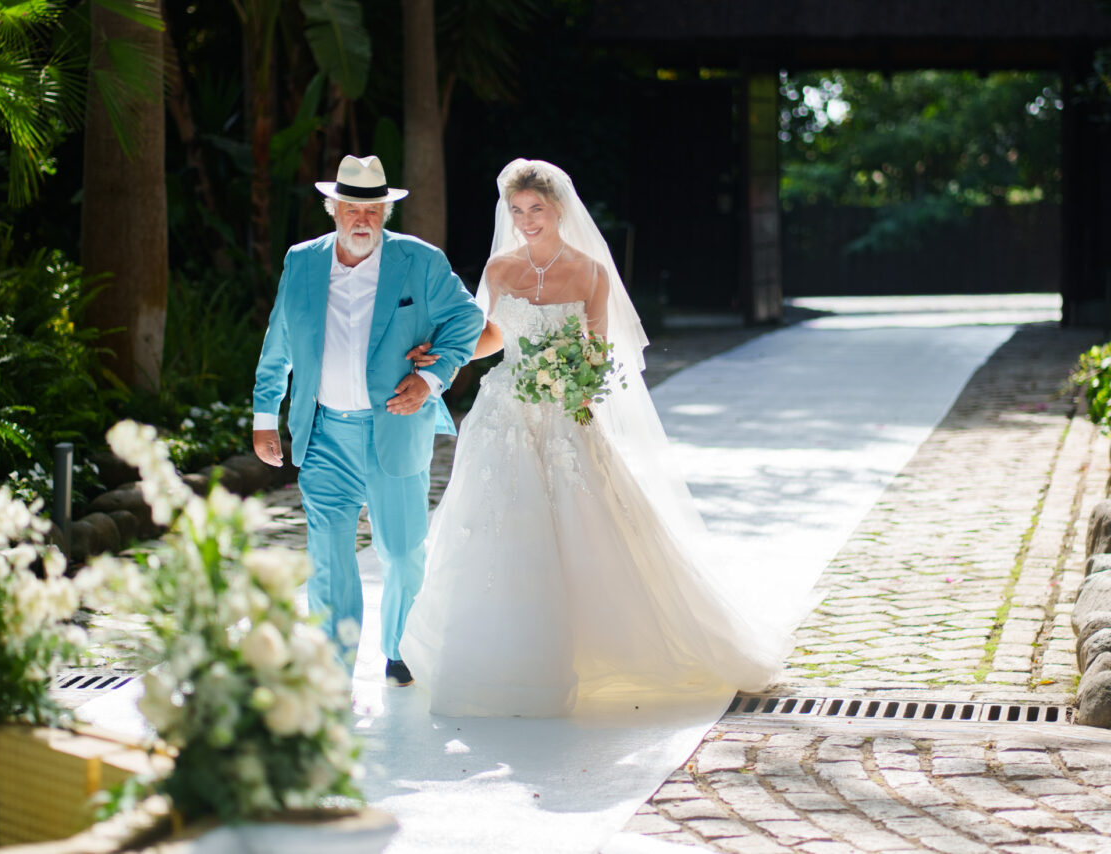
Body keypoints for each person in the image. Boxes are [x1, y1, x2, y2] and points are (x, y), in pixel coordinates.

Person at [399, 159, 794, 716]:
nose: (527, 220)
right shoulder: (500, 270)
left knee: (582, 522)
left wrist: (573, 380)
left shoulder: (590, 272)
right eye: (517, 211)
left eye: (536, 209)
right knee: (498, 522)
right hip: (506, 410)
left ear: (559, 208)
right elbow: (490, 336)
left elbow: (600, 351)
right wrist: (443, 353)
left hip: (564, 412)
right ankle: (498, 656)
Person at [251, 154, 484, 687]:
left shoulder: (419, 263)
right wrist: (267, 415)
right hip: (325, 431)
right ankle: (331, 662)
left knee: (401, 553)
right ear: (332, 208)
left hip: (396, 427)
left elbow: (468, 318)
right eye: (352, 208)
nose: (363, 220)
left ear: (385, 211)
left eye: (373, 209)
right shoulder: (302, 262)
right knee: (329, 551)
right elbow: (279, 341)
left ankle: (400, 647)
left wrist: (433, 377)